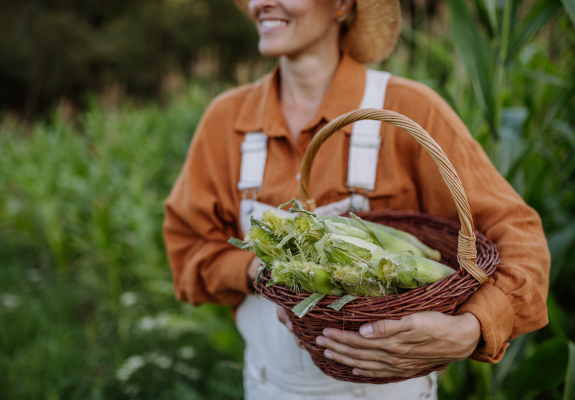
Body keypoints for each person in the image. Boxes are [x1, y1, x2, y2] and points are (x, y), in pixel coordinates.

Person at [163, 0, 550, 398]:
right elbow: (188, 252)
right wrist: (271, 271)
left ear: (343, 5)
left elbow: (522, 238)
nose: (261, 3)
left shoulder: (409, 110)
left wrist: (472, 329)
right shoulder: (225, 121)